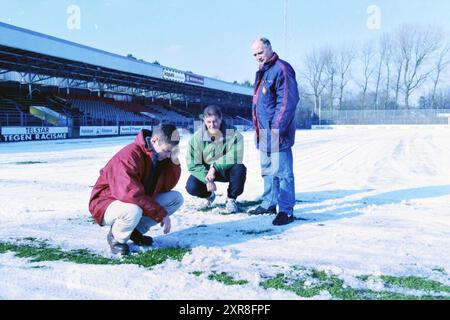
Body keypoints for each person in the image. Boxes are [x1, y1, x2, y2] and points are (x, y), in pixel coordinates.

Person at [89, 124, 183, 255]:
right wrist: (160, 213)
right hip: (106, 201)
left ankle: (135, 231)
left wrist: (173, 161)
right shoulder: (130, 155)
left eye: (171, 152)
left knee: (176, 198)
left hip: (133, 199)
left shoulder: (159, 157)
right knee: (133, 211)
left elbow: (167, 186)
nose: (168, 155)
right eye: (167, 151)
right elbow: (130, 194)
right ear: (154, 140)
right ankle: (116, 239)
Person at [248, 37, 299, 226]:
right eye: (254, 54)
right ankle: (269, 202)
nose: (257, 57)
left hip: (277, 131)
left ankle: (286, 210)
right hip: (263, 131)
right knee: (268, 170)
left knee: (283, 172)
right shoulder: (263, 71)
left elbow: (287, 103)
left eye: (260, 52)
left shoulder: (282, 69)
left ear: (269, 48)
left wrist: (275, 130)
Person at [186, 105, 247, 213]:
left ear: (221, 118)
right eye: (208, 122)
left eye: (215, 121)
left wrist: (214, 167)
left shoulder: (232, 133)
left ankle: (231, 200)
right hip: (206, 172)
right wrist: (207, 179)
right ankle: (209, 196)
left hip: (225, 170)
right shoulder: (197, 138)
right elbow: (192, 164)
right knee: (191, 186)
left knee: (240, 168)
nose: (212, 125)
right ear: (204, 120)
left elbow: (236, 155)